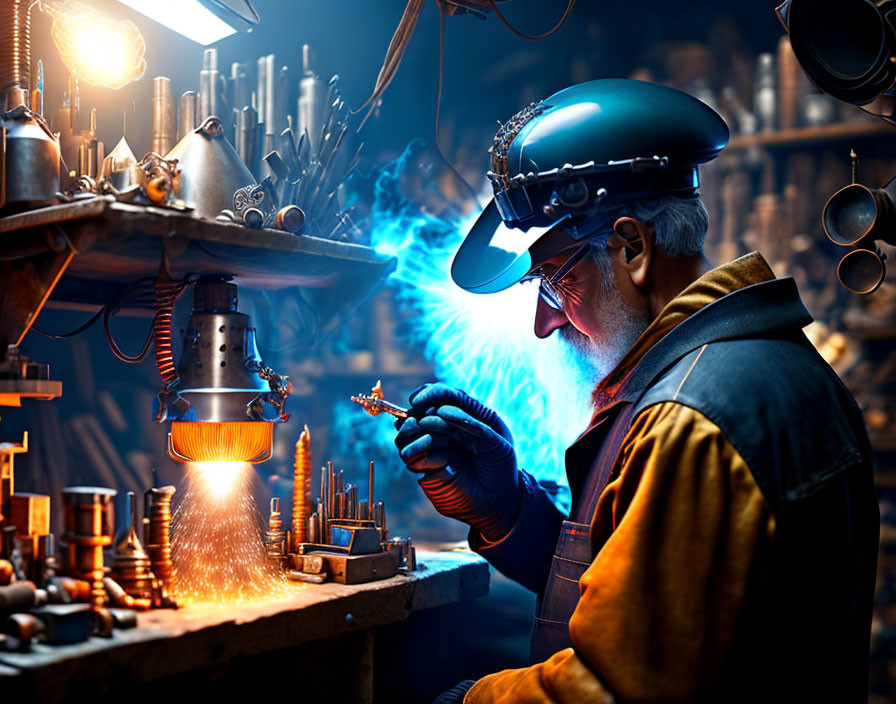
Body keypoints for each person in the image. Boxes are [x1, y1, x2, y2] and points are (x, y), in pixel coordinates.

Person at [394, 79, 879, 703]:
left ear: (631, 248)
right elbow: (657, 603)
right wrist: (511, 513)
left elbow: (617, 686)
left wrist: (467, 703)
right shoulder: (768, 369)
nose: (544, 323)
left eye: (551, 281)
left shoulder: (691, 419)